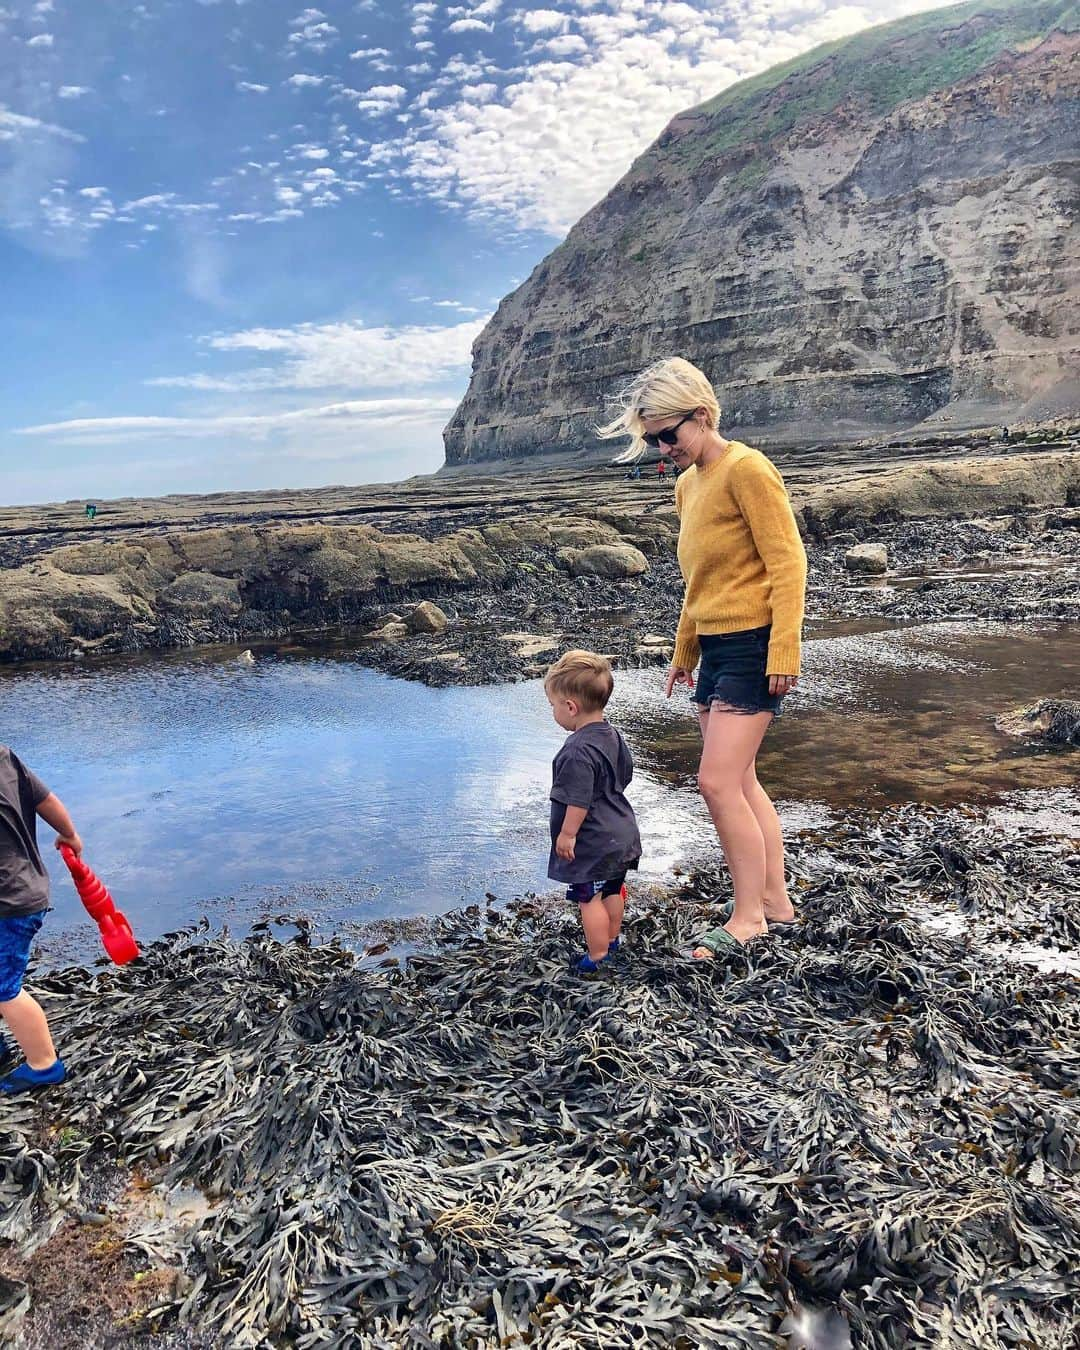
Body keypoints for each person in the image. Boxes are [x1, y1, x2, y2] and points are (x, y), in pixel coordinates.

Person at [598, 357, 806, 957]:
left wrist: (784, 647)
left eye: (669, 434)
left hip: (754, 643)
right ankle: (773, 901)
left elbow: (788, 562)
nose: (663, 448)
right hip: (715, 646)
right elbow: (700, 579)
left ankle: (748, 919)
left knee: (715, 782)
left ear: (704, 415)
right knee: (741, 780)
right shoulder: (687, 485)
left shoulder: (748, 469)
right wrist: (684, 650)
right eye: (653, 439)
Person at [544, 650, 641, 974]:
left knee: (590, 899)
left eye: (553, 706)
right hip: (622, 830)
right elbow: (624, 773)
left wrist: (568, 835)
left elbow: (578, 799)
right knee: (612, 889)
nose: (553, 712)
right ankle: (612, 940)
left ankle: (597, 956)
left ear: (570, 707)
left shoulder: (576, 751)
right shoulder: (612, 734)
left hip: (593, 841)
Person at [0, 745, 82, 1093]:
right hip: (27, 889)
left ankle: (44, 1064)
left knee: (5, 989)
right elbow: (45, 800)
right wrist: (70, 834)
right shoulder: (5, 757)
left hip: (8, 902)